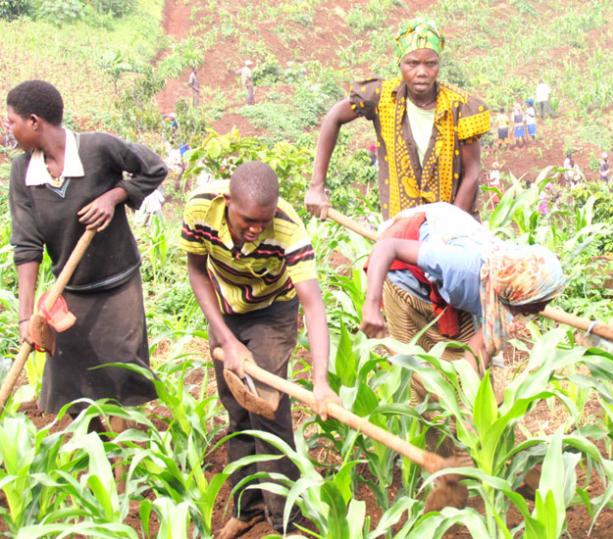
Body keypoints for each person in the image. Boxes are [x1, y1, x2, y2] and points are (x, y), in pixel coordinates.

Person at [181, 161, 339, 537]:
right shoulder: (200, 207)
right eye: (247, 220)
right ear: (226, 202)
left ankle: (288, 522)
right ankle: (247, 508)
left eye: (262, 222)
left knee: (268, 410)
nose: (255, 230)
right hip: (225, 309)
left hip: (273, 311)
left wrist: (320, 382)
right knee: (236, 411)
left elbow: (314, 305)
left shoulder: (286, 228)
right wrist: (228, 341)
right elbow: (196, 270)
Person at [7, 80, 165, 421]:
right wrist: (26, 317)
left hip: (118, 285)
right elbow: (27, 246)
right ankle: (96, 450)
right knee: (72, 386)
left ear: (34, 121)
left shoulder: (98, 148)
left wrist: (115, 196)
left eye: (12, 121)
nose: (9, 129)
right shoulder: (22, 172)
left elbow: (154, 168)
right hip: (70, 292)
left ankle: (123, 460)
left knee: (120, 376)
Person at [305, 18, 490, 220]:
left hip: (453, 223)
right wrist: (316, 186)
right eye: (412, 63)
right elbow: (334, 116)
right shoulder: (382, 96)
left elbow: (472, 172)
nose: (422, 72)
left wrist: (450, 226)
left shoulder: (460, 106)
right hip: (400, 222)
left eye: (431, 64)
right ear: (399, 63)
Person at [360, 202, 565, 380]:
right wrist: (371, 306)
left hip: (448, 280)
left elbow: (476, 354)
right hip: (406, 273)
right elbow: (387, 247)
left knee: (460, 371)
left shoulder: (505, 294)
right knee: (416, 371)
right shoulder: (464, 266)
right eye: (541, 301)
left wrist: (470, 407)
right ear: (522, 293)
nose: (542, 309)